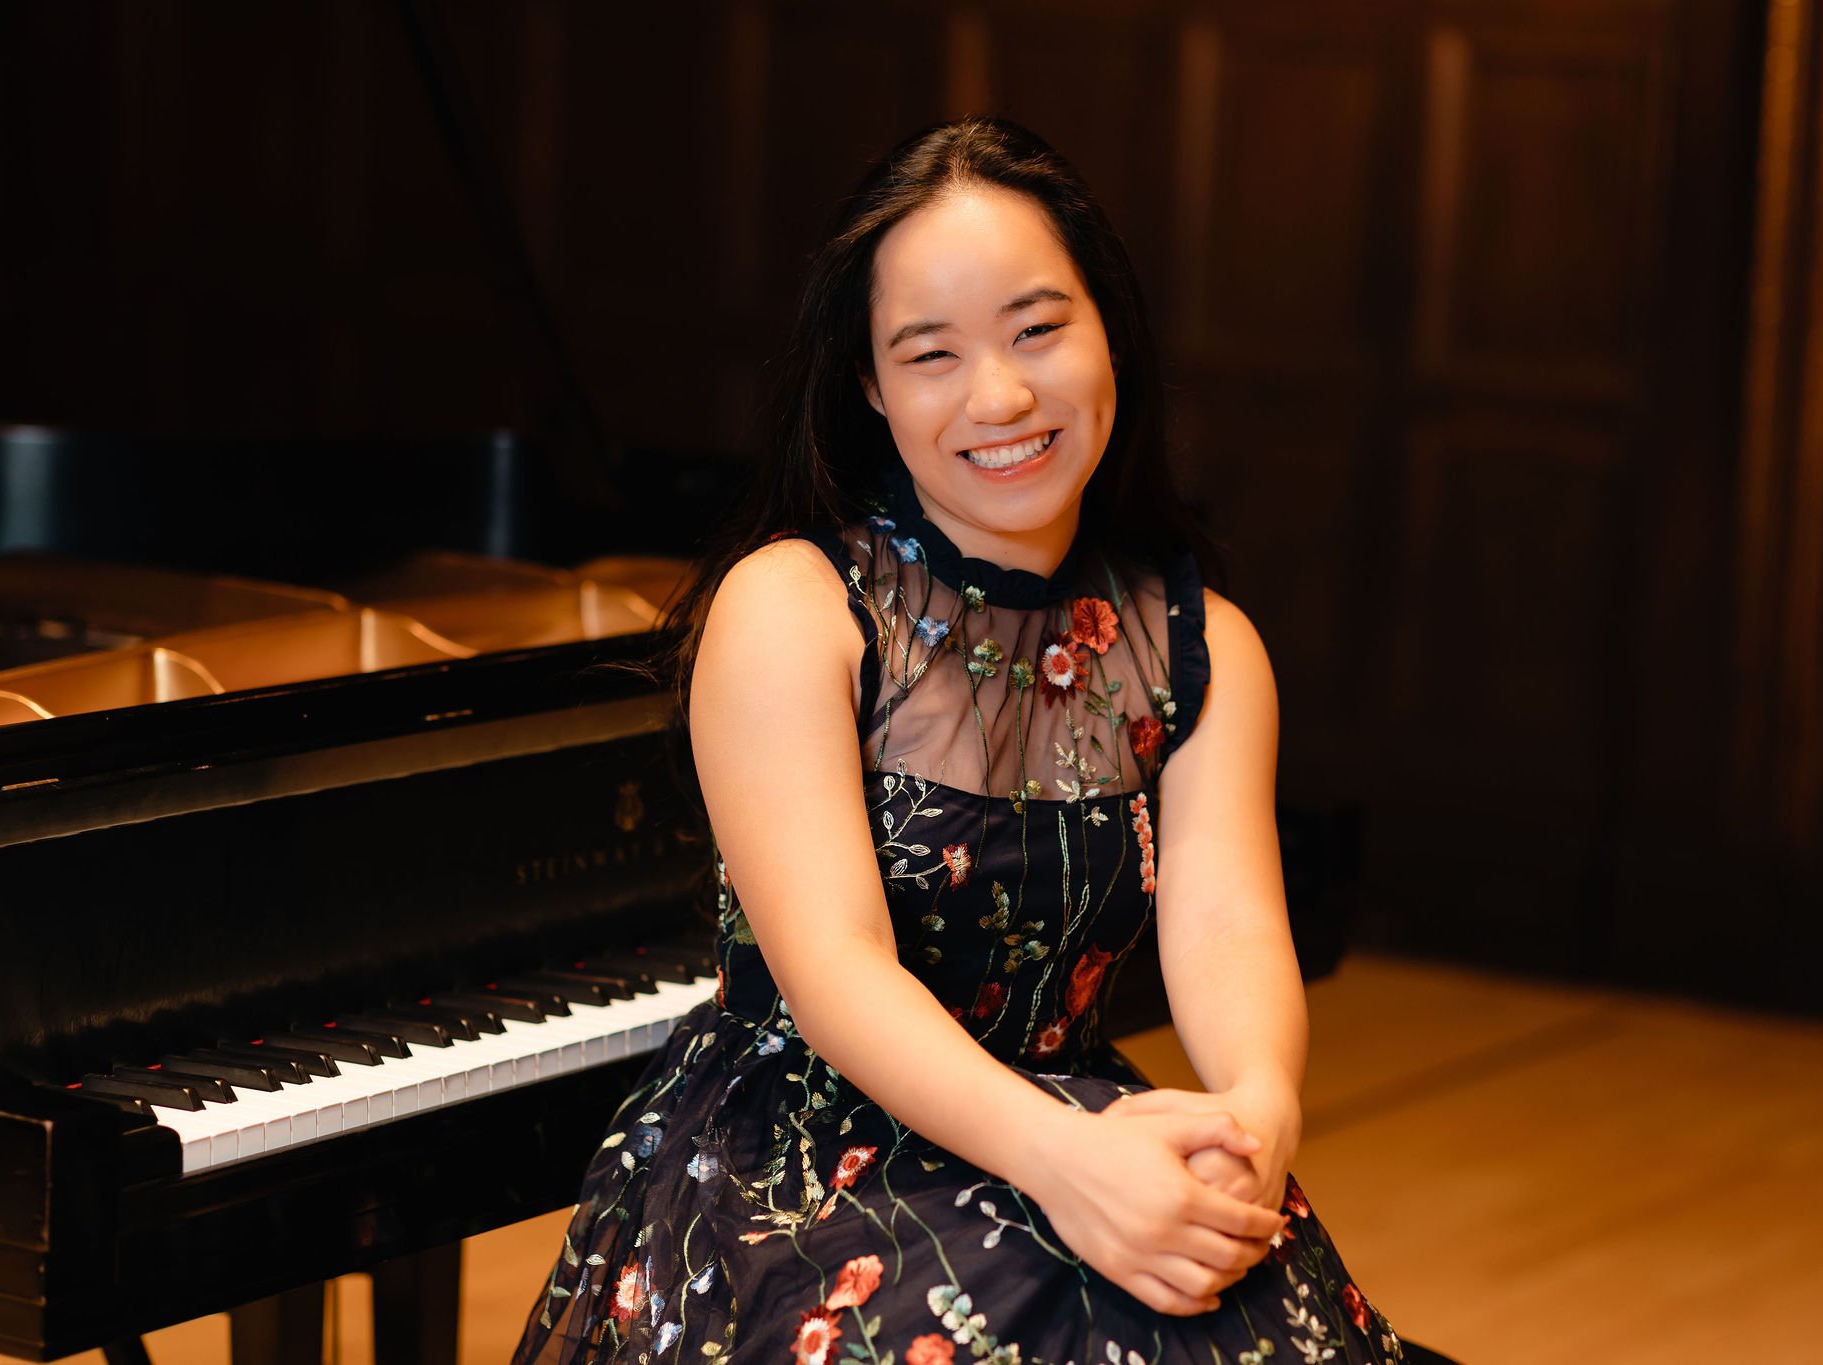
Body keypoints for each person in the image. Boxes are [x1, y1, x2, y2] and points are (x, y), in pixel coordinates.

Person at [512, 117, 1401, 1364]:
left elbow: (1229, 929)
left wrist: (1255, 1117)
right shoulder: (791, 607)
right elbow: (834, 976)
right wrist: (1068, 1161)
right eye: (931, 354)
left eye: (1039, 328)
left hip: (1076, 1117)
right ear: (870, 390)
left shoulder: (1204, 645)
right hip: (805, 1157)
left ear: (1109, 331)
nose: (1002, 396)